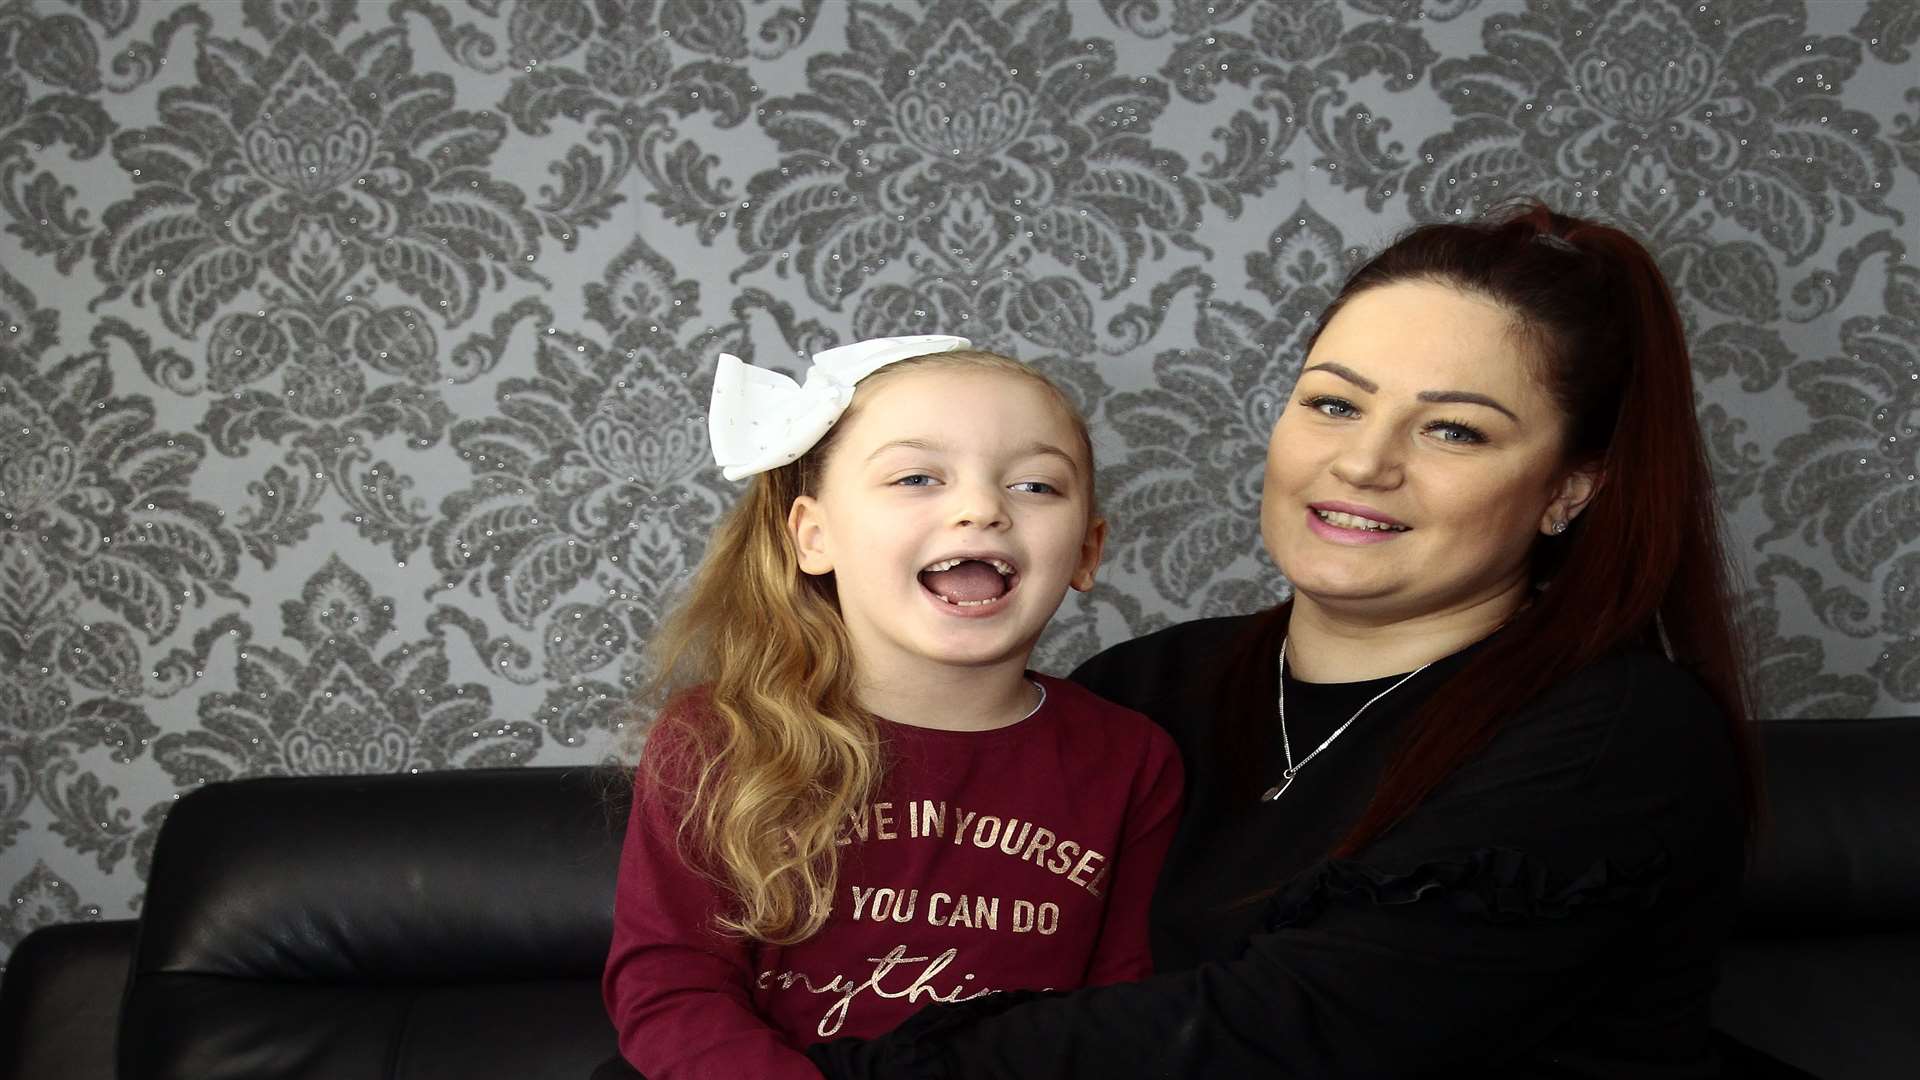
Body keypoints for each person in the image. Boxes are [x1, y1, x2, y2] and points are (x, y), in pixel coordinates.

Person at [804, 205, 1761, 1077]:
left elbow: (1290, 1039)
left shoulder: (1621, 737)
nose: (1362, 462)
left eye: (1456, 432)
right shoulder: (1146, 685)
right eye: (1334, 404)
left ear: (1568, 490)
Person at [602, 336, 1185, 1079]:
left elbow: (1120, 1007)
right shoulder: (720, 736)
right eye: (917, 477)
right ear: (814, 537)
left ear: (1086, 552)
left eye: (1035, 486)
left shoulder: (1131, 759)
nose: (981, 509)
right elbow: (671, 987)